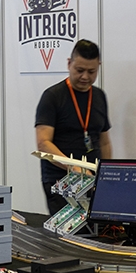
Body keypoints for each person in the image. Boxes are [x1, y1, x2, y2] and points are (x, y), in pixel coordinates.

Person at [35, 39, 112, 214]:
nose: (85, 77)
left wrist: (107, 172)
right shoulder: (52, 97)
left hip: (93, 179)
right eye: (79, 70)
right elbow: (43, 143)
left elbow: (104, 141)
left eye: (91, 72)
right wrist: (74, 168)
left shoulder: (99, 96)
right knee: (68, 229)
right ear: (69, 64)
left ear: (98, 67)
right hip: (60, 180)